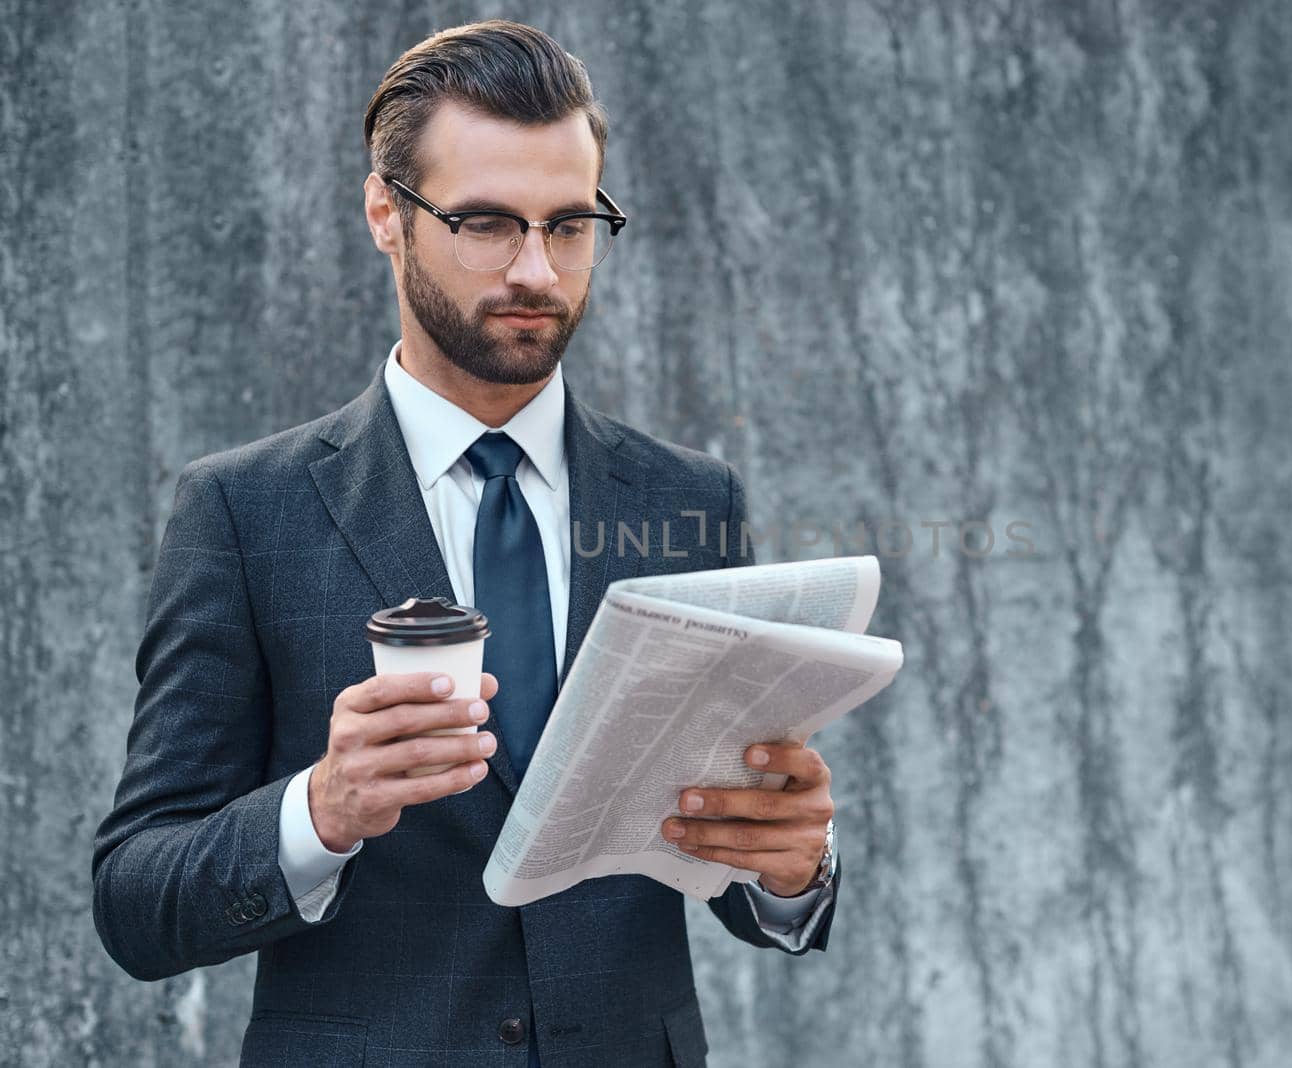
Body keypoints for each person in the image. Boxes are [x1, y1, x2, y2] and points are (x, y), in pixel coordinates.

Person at [91, 20, 838, 1067]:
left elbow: (735, 868)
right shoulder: (242, 512)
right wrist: (322, 809)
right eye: (487, 222)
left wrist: (788, 865)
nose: (537, 269)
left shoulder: (689, 500)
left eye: (570, 224)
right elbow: (135, 900)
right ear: (385, 215)